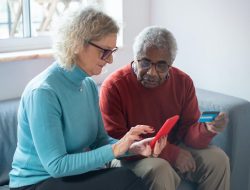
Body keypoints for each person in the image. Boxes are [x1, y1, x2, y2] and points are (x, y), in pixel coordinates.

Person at [9, 8, 167, 190]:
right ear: (76, 43)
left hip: (69, 177)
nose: (109, 60)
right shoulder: (43, 93)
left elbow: (100, 141)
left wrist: (132, 147)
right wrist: (116, 149)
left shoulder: (88, 86)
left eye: (112, 51)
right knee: (126, 180)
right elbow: (56, 166)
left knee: (127, 177)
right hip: (35, 183)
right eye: (105, 51)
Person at [99, 26, 230, 190]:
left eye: (161, 65)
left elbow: (188, 132)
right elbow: (116, 141)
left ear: (171, 64)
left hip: (172, 145)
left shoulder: (183, 82)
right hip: (128, 154)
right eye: (145, 63)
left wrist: (207, 129)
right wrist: (171, 154)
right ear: (135, 58)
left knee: (218, 159)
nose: (152, 73)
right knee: (160, 169)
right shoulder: (113, 86)